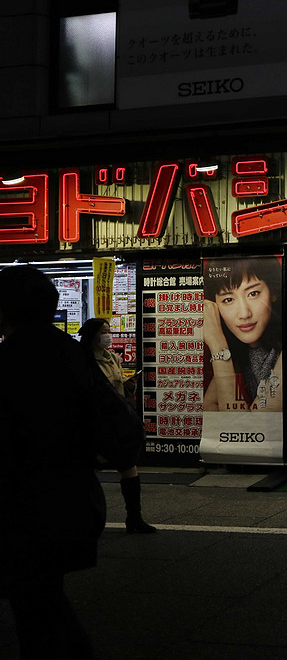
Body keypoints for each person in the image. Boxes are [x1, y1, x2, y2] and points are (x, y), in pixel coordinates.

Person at [0, 266, 138, 659]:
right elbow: (121, 432)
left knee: (37, 607)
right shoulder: (73, 357)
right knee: (42, 600)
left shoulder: (9, 361)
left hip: (20, 506)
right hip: (72, 499)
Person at [78, 318, 156, 534]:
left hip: (118, 423)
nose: (108, 335)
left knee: (129, 466)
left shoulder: (112, 358)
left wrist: (129, 385)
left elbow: (119, 386)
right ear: (92, 335)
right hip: (96, 425)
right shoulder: (83, 360)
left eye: (109, 330)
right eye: (104, 331)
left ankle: (134, 518)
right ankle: (85, 518)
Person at [203, 257, 283, 412]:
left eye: (253, 293)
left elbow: (249, 428)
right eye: (228, 299)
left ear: (273, 292)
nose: (244, 313)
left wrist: (217, 345)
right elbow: (209, 408)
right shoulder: (239, 351)